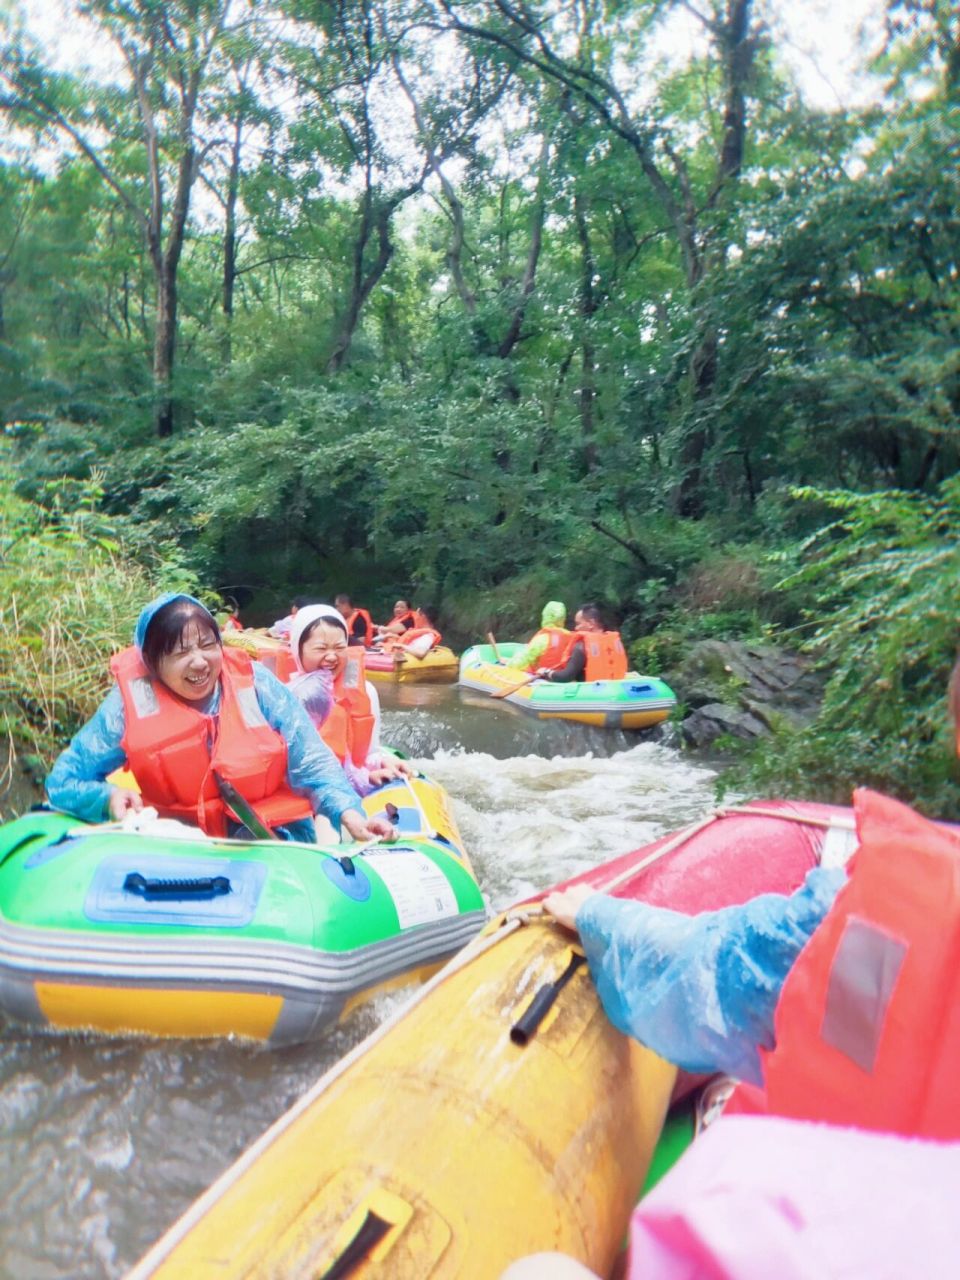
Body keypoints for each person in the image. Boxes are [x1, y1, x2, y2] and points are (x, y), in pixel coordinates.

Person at [45, 593, 394, 844]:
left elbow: (312, 760)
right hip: (176, 846)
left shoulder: (256, 682)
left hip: (269, 840)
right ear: (152, 662)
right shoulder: (129, 704)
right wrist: (106, 798)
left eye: (208, 645)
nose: (199, 662)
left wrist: (350, 813)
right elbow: (65, 780)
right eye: (181, 652)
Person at [289, 604, 413, 796]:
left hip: (351, 786)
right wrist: (364, 779)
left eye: (339, 647)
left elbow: (367, 753)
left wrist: (382, 761)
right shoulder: (282, 696)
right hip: (309, 797)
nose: (331, 656)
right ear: (298, 650)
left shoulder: (367, 692)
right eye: (321, 648)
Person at [538, 603, 628, 683]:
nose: (576, 628)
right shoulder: (613, 641)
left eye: (578, 624)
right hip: (616, 689)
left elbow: (565, 677)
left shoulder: (581, 646)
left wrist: (546, 672)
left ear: (591, 623)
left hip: (592, 694)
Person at [509, 601, 574, 674]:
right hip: (562, 677)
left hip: (542, 677)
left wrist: (509, 663)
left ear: (545, 616)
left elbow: (519, 664)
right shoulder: (571, 637)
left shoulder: (542, 639)